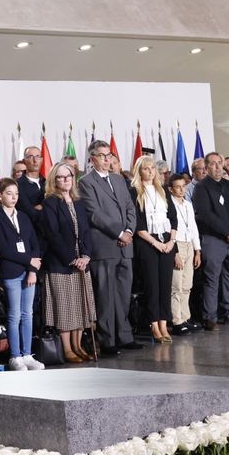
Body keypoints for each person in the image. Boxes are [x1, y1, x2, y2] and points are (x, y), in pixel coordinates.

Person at [78, 140, 139, 355]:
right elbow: (95, 214)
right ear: (92, 158)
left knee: (123, 293)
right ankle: (108, 339)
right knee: (106, 295)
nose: (106, 159)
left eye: (108, 155)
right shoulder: (86, 182)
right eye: (102, 155)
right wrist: (119, 233)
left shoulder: (119, 179)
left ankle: (124, 336)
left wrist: (129, 231)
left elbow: (130, 207)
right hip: (105, 246)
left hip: (125, 246)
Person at [42, 162, 97, 362]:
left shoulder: (78, 202)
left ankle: (78, 345)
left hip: (82, 262)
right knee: (66, 308)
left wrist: (86, 256)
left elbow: (86, 233)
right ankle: (67, 349)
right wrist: (72, 259)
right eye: (61, 177)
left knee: (81, 305)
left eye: (69, 176)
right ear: (54, 180)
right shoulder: (50, 202)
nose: (66, 180)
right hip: (61, 263)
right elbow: (53, 235)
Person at [0, 179, 44, 371]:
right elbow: (4, 249)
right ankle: (15, 356)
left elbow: (33, 244)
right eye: (9, 193)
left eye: (16, 194)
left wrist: (32, 270)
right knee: (14, 315)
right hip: (11, 271)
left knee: (27, 313)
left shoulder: (23, 216)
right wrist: (29, 261)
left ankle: (27, 353)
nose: (13, 197)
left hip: (28, 272)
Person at [194, 151, 229, 330]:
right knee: (212, 278)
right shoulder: (201, 188)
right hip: (213, 239)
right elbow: (206, 215)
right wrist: (227, 232)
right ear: (207, 167)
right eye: (213, 164)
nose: (217, 167)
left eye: (219, 163)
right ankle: (210, 317)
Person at [130, 156, 178, 343]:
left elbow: (173, 218)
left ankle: (164, 324)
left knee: (165, 285)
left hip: (167, 241)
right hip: (147, 243)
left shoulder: (163, 190)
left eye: (152, 168)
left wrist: (171, 241)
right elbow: (138, 224)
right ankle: (154, 325)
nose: (150, 171)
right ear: (139, 171)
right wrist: (155, 243)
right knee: (152, 285)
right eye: (146, 168)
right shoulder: (134, 191)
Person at [168, 174, 201, 334]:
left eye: (183, 186)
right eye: (178, 187)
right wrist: (175, 252)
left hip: (189, 244)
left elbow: (193, 227)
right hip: (177, 244)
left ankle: (185, 317)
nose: (182, 189)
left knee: (187, 284)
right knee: (177, 285)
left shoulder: (187, 204)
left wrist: (197, 250)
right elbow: (169, 230)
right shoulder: (169, 205)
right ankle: (176, 320)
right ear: (171, 189)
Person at [16, 146, 45, 224]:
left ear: (41, 160)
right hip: (31, 231)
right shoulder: (18, 185)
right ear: (24, 161)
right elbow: (30, 213)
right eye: (30, 157)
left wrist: (41, 207)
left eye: (37, 156)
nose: (35, 160)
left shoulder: (48, 182)